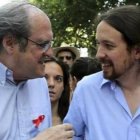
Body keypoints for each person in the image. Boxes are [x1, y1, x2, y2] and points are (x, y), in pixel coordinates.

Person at [64, 5, 140, 140]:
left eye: (109, 46)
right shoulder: (87, 89)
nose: (99, 54)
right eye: (98, 44)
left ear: (137, 51)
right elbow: (71, 136)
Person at [0, 1, 74, 140]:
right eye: (42, 44)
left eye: (50, 44)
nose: (50, 53)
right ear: (10, 43)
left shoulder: (40, 82)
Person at [44, 57, 70, 126]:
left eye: (58, 79)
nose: (51, 84)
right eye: (45, 78)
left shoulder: (71, 121)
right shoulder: (23, 118)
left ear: (64, 86)